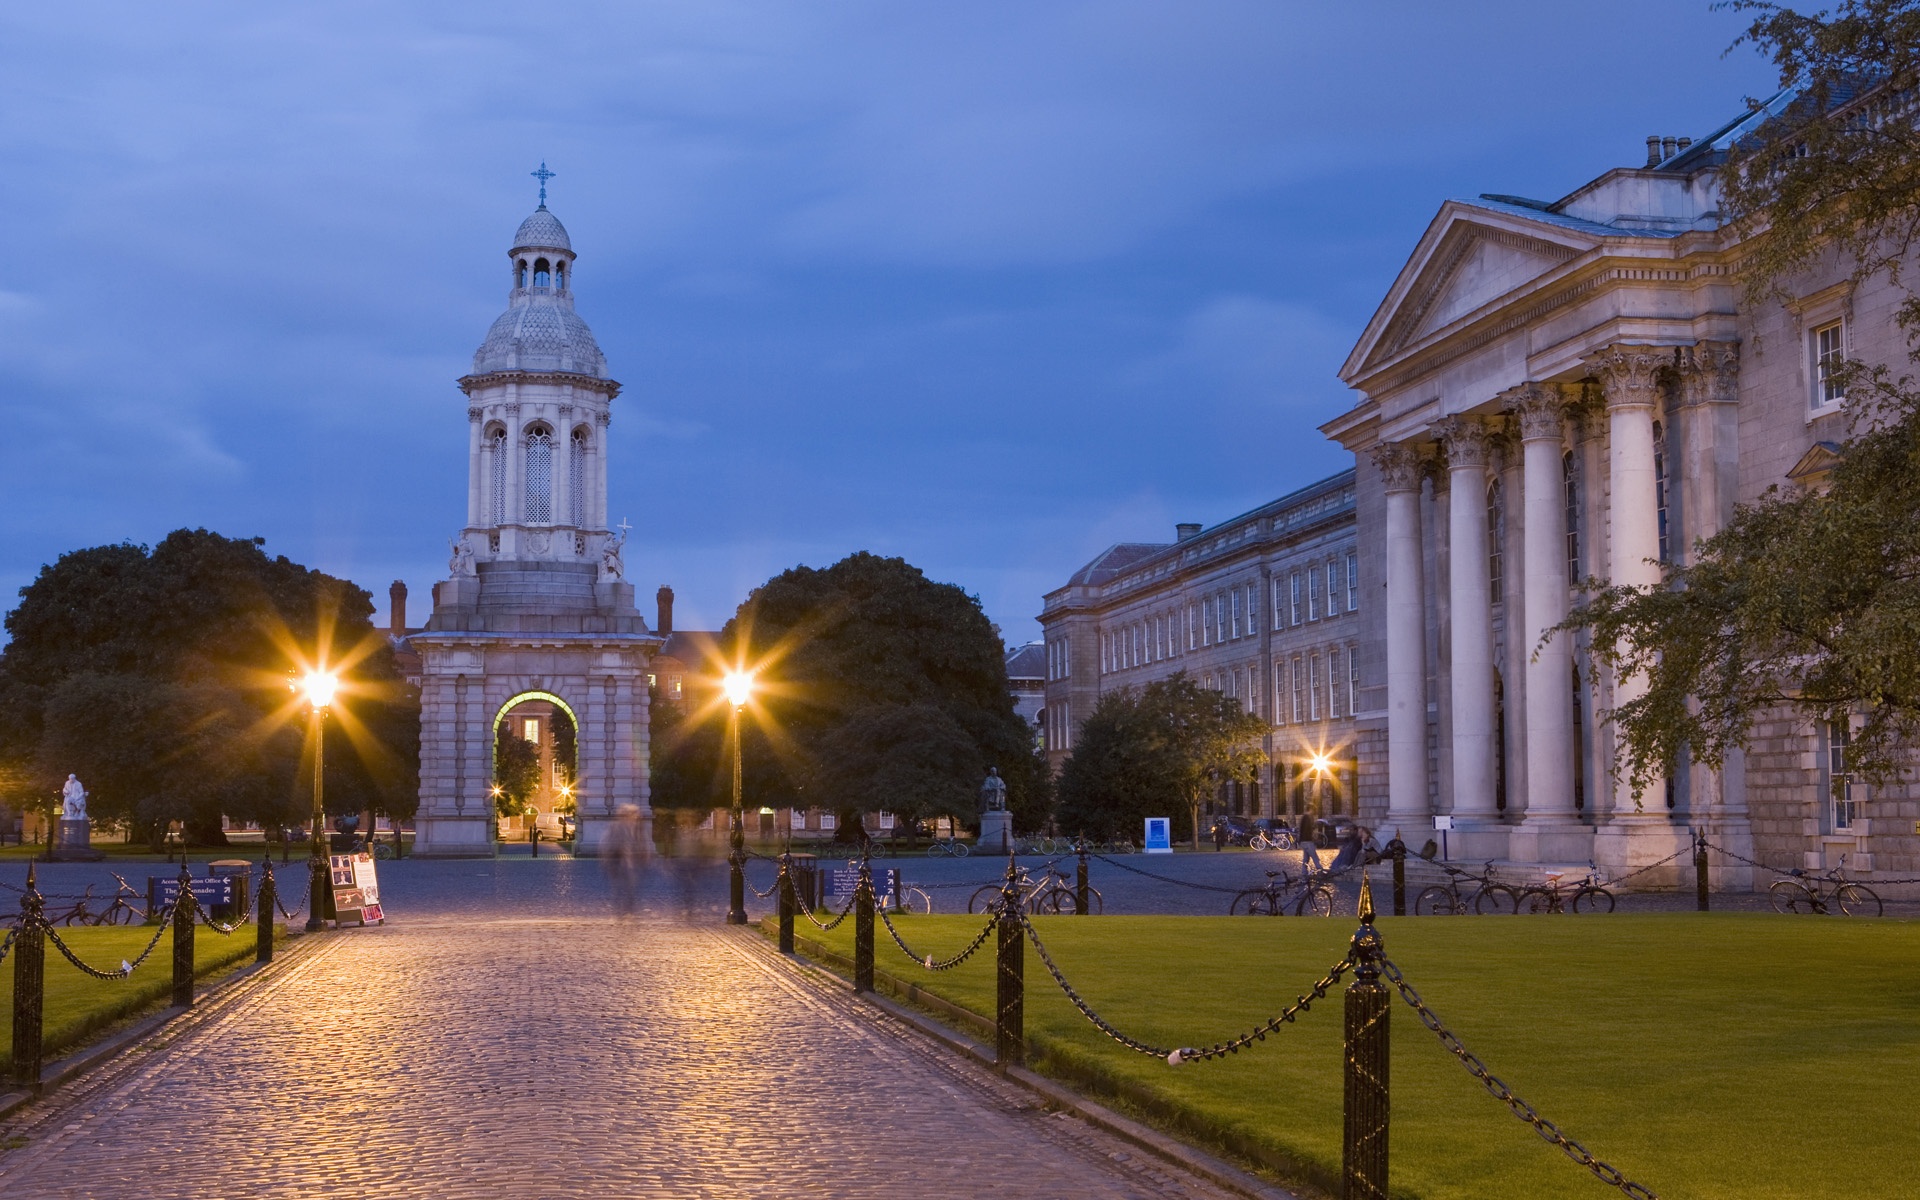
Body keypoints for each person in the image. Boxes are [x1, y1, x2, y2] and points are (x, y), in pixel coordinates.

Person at [603, 804, 644, 915]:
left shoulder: (631, 826)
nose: (637, 817)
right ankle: (623, 909)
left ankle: (625, 908)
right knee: (624, 885)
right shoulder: (619, 826)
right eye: (634, 814)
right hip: (618, 860)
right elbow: (610, 842)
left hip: (624, 861)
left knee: (625, 885)